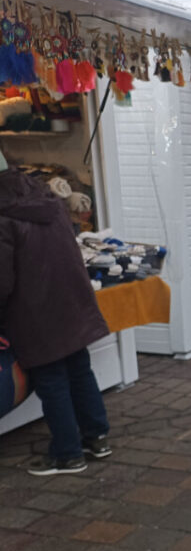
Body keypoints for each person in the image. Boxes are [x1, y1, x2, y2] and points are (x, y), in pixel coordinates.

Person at [0, 160, 112, 476]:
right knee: (79, 370)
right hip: (70, 301)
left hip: (35, 310)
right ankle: (97, 437)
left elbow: (2, 280)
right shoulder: (47, 199)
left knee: (52, 382)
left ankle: (67, 453)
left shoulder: (3, 216)